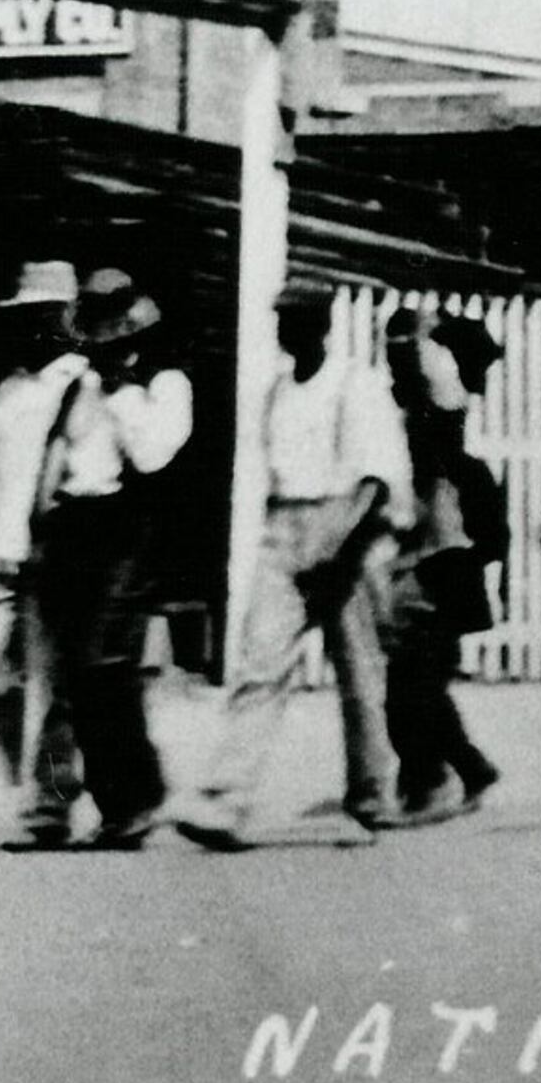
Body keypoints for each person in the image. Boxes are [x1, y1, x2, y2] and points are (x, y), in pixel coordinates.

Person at [177, 289, 408, 851]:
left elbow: (375, 478)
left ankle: (373, 797)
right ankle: (227, 798)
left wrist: (341, 551)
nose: (288, 332)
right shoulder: (277, 391)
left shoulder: (356, 384)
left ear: (323, 326)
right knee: (261, 663)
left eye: (299, 322)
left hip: (345, 524)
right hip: (284, 528)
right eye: (281, 321)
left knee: (359, 674)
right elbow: (272, 473)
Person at [5, 269, 193, 851]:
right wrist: (35, 528)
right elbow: (57, 454)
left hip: (123, 532)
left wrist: (124, 391)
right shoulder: (77, 385)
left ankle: (133, 798)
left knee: (105, 668)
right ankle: (67, 804)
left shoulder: (164, 386)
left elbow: (154, 457)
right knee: (68, 677)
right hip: (70, 529)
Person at [0, 259, 92, 789]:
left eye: (46, 314)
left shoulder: (83, 383)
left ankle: (52, 795)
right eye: (26, 314)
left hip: (54, 555)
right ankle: (32, 773)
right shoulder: (9, 391)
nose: (34, 325)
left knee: (53, 688)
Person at [377, 307, 504, 827]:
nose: (398, 355)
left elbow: (436, 376)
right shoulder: (402, 406)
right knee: (416, 681)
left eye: (406, 348)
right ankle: (461, 770)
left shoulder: (444, 406)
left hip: (441, 552)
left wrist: (424, 333)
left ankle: (427, 780)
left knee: (416, 683)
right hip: (415, 549)